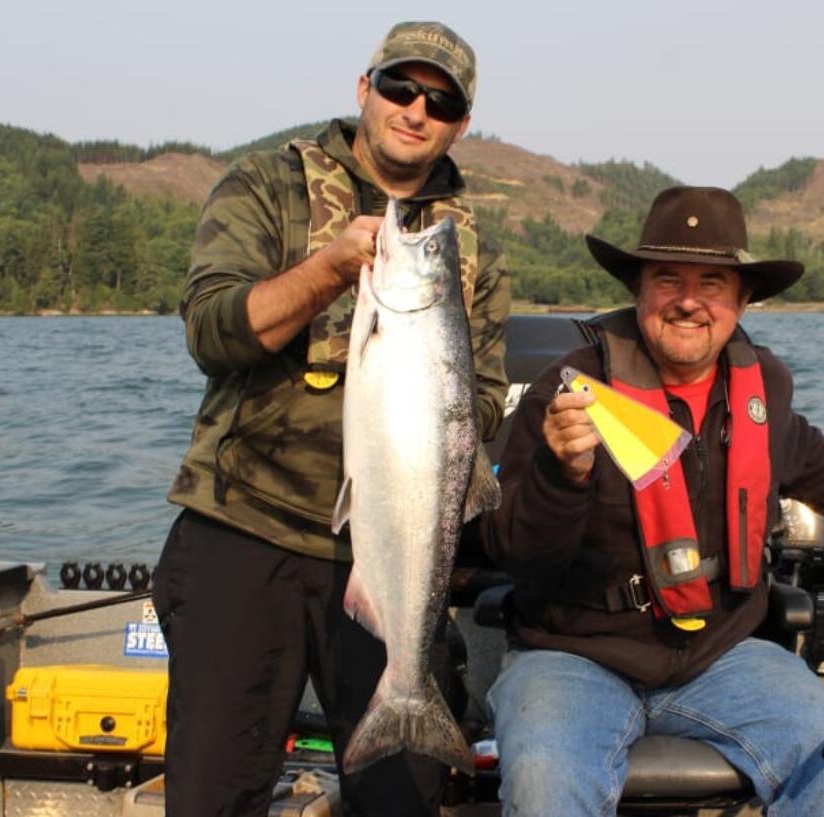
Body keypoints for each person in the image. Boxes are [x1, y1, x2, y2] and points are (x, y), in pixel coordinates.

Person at [153, 21, 509, 817]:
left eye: (441, 101)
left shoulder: (469, 245)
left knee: (401, 799)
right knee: (214, 794)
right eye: (400, 87)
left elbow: (486, 395)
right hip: (245, 534)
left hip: (389, 556)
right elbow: (211, 330)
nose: (416, 109)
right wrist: (327, 270)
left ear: (460, 124)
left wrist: (445, 410)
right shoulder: (267, 186)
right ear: (364, 89)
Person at [481, 186, 824, 816]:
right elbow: (514, 551)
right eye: (668, 279)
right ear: (639, 290)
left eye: (712, 283)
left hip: (719, 656)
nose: (689, 301)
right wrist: (561, 472)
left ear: (742, 300)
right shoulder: (569, 390)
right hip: (571, 655)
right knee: (546, 779)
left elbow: (807, 456)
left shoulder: (760, 386)